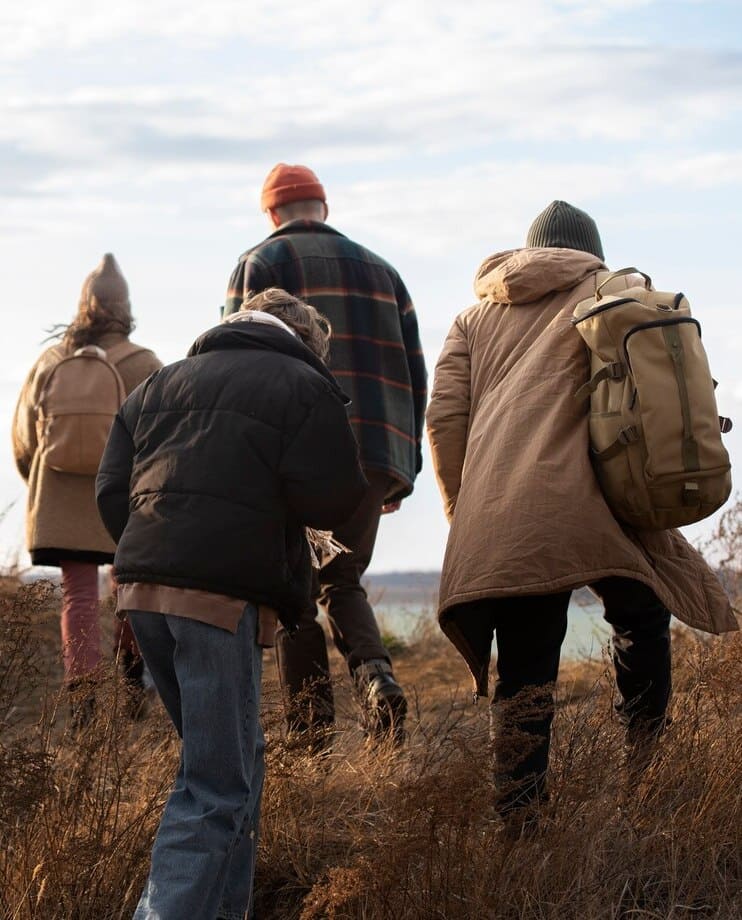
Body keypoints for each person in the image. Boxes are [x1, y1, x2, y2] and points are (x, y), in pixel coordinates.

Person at [426, 200, 737, 826]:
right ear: (588, 247)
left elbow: (444, 420)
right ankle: (645, 781)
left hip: (513, 507)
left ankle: (518, 818)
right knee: (641, 621)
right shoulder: (621, 292)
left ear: (528, 250)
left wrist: (468, 514)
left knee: (525, 663)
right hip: (612, 498)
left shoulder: (473, 318)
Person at [96, 288, 367, 920]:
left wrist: (159, 549)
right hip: (217, 601)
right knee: (214, 788)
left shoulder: (160, 384)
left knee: (235, 762)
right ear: (307, 343)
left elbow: (112, 490)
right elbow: (336, 498)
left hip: (144, 592)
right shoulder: (302, 384)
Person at [224, 163, 427, 744]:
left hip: (295, 448)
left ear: (271, 213)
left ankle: (310, 735)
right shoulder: (385, 272)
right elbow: (416, 376)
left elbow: (232, 365)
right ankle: (375, 676)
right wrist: (400, 470)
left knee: (295, 593)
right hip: (376, 451)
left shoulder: (260, 265)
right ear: (324, 208)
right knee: (341, 575)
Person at [12, 253, 161, 725]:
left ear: (83, 304)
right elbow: (163, 439)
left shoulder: (51, 360)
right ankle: (133, 679)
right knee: (130, 590)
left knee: (77, 595)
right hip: (124, 498)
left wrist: (40, 484)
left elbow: (23, 439)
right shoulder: (145, 364)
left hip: (60, 499)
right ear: (125, 308)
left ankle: (82, 702)